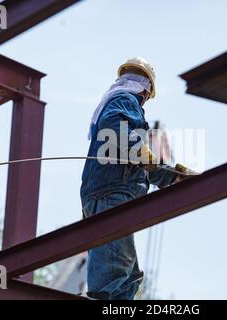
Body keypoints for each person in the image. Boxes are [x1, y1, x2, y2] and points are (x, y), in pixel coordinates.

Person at [80, 57, 188, 300]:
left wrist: (174, 177)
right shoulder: (126, 100)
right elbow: (115, 129)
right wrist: (139, 150)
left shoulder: (121, 108)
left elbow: (143, 164)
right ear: (146, 90)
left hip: (107, 194)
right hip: (111, 194)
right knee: (113, 276)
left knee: (127, 279)